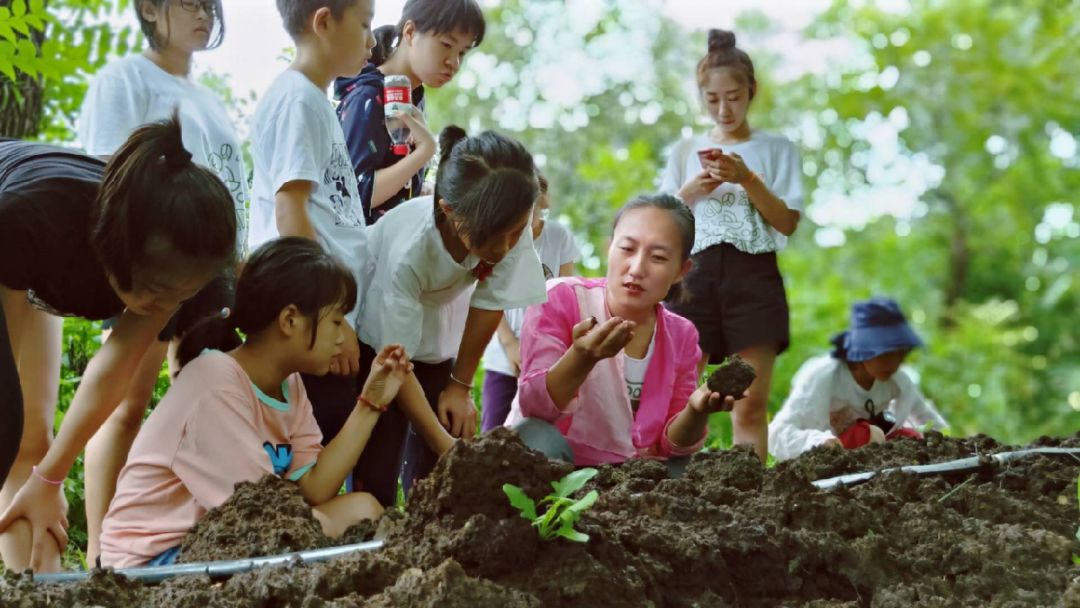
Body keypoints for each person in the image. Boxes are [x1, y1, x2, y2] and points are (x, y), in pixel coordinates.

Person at [0, 116, 237, 572]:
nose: (167, 306)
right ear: (122, 250)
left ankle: (38, 591)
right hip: (11, 234)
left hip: (31, 258)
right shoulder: (30, 221)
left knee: (34, 446)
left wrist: (49, 478)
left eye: (180, 296)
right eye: (160, 293)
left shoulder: (169, 254)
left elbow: (116, 367)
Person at [253, 0, 456, 506]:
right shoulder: (297, 100)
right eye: (364, 26)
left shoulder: (316, 101)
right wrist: (330, 319)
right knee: (319, 449)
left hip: (333, 315)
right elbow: (290, 213)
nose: (371, 41)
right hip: (314, 319)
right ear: (324, 22)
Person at [99, 238, 404, 568]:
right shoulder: (215, 385)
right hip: (153, 561)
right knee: (301, 546)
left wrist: (371, 403)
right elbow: (262, 521)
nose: (344, 336)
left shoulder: (290, 385)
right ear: (289, 320)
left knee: (364, 510)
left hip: (227, 538)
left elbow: (315, 488)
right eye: (335, 321)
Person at [76, 0, 249, 564]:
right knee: (124, 406)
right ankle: (105, 557)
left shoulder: (210, 100)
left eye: (210, 6)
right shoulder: (125, 77)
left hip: (213, 268)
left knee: (202, 404)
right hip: (155, 264)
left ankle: (173, 541)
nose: (204, 15)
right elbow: (106, 177)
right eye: (190, 3)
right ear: (149, 7)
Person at [319, 125, 547, 506]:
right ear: (448, 212)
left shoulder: (509, 221)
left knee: (441, 446)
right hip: (375, 336)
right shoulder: (410, 252)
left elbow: (490, 302)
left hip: (435, 335)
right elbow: (393, 361)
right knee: (380, 455)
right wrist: (448, 446)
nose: (506, 247)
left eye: (516, 233)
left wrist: (459, 386)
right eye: (495, 238)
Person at [505, 194, 738, 475]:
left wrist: (697, 410)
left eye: (659, 257)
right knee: (534, 438)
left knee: (689, 470)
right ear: (609, 248)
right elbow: (535, 408)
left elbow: (672, 446)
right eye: (627, 249)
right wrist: (581, 357)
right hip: (561, 467)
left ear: (681, 271)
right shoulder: (560, 298)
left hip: (632, 476)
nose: (637, 268)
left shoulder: (682, 335)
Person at [659, 29, 805, 462]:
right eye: (713, 99)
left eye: (735, 97)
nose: (724, 109)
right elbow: (661, 218)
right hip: (694, 276)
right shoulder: (686, 149)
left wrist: (747, 178)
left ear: (752, 91)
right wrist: (689, 190)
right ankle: (668, 482)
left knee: (750, 404)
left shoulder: (777, 149)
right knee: (681, 397)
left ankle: (753, 498)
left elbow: (787, 222)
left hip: (754, 276)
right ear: (701, 97)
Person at [335, 0, 485, 224]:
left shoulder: (414, 98)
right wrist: (424, 152)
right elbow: (353, 193)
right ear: (410, 31)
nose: (453, 62)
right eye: (446, 44)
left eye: (462, 53)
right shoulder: (367, 96)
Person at [768, 297, 949, 461]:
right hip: (830, 459)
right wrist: (819, 443)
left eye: (900, 354)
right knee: (869, 434)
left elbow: (928, 420)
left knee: (909, 438)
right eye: (884, 354)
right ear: (863, 352)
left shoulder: (899, 381)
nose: (893, 363)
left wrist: (948, 443)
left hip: (873, 456)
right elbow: (777, 433)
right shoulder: (824, 376)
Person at [481, 173, 578, 431]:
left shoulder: (558, 237)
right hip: (504, 358)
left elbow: (565, 293)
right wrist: (511, 344)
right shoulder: (497, 238)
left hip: (549, 354)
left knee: (543, 435)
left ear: (540, 202)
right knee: (495, 434)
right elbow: (489, 295)